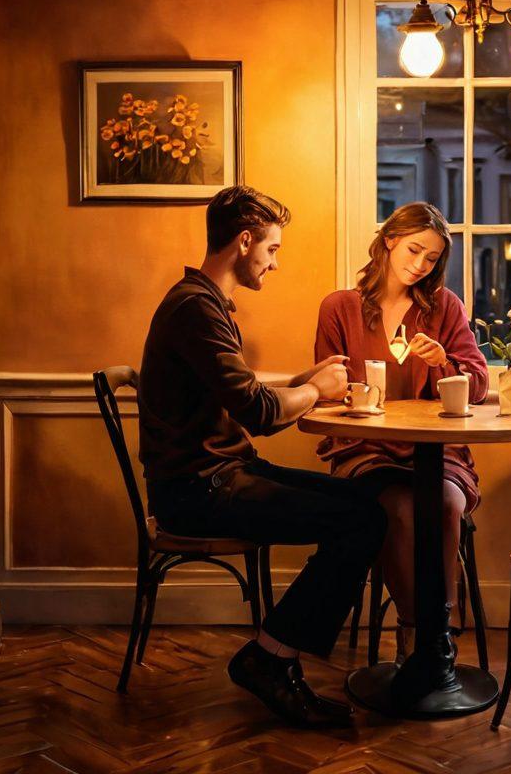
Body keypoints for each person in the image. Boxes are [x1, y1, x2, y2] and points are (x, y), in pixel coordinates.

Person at [138, 185, 388, 729]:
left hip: (222, 476)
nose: (273, 263)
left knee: (365, 504)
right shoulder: (195, 309)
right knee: (364, 516)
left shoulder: (201, 301)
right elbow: (258, 414)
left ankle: (274, 654)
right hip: (199, 492)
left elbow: (240, 390)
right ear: (245, 240)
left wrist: (302, 381)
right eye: (271, 249)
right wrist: (317, 393)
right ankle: (271, 659)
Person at [314, 202, 488, 664]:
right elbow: (327, 389)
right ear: (389, 240)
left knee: (446, 504)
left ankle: (432, 633)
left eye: (431, 258)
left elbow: (479, 384)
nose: (420, 265)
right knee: (398, 510)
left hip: (434, 450)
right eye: (414, 250)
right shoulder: (341, 307)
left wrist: (442, 364)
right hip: (365, 447)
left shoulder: (444, 308)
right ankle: (428, 634)